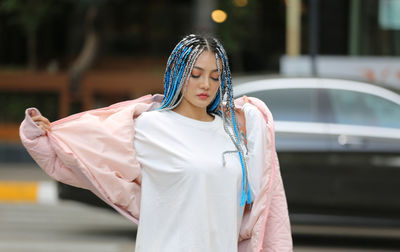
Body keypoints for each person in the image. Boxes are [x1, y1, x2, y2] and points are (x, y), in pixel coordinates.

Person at [20, 34, 292, 251]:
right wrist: (52, 135)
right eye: (195, 74)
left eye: (215, 76)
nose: (206, 85)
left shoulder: (232, 131)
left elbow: (258, 204)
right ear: (176, 73)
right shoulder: (150, 126)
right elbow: (92, 152)